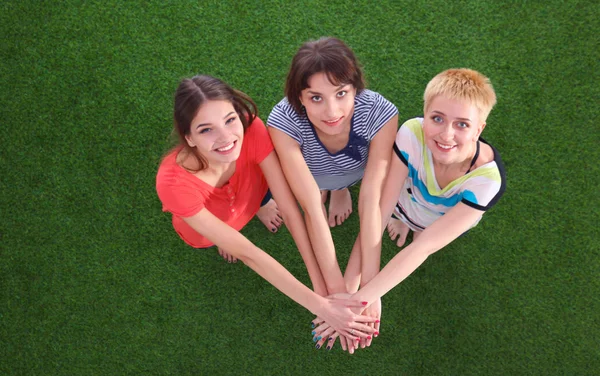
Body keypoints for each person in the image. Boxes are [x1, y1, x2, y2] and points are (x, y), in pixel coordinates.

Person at [156, 75, 377, 341]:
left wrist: (325, 290)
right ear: (189, 138)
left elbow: (291, 210)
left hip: (251, 195)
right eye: (206, 130)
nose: (226, 138)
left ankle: (255, 211)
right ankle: (224, 237)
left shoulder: (252, 129)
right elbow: (250, 254)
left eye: (230, 120)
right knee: (226, 240)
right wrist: (322, 307)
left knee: (266, 198)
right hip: (207, 225)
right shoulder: (172, 184)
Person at [312, 68, 506, 350]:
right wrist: (349, 290)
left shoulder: (486, 182)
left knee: (421, 241)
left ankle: (412, 226)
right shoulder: (411, 134)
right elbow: (378, 213)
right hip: (403, 206)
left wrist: (365, 298)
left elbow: (423, 248)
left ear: (480, 129)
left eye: (462, 124)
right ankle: (406, 223)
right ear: (425, 115)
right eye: (437, 119)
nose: (446, 134)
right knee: (395, 218)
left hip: (437, 224)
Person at [267, 37, 398, 353]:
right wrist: (336, 297)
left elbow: (370, 198)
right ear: (300, 98)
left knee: (351, 191)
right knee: (316, 196)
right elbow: (310, 206)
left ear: (355, 89)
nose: (332, 111)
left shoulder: (380, 114)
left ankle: (339, 190)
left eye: (341, 93)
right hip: (311, 178)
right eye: (316, 98)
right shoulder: (283, 121)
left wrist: (366, 290)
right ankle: (332, 188)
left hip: (354, 174)